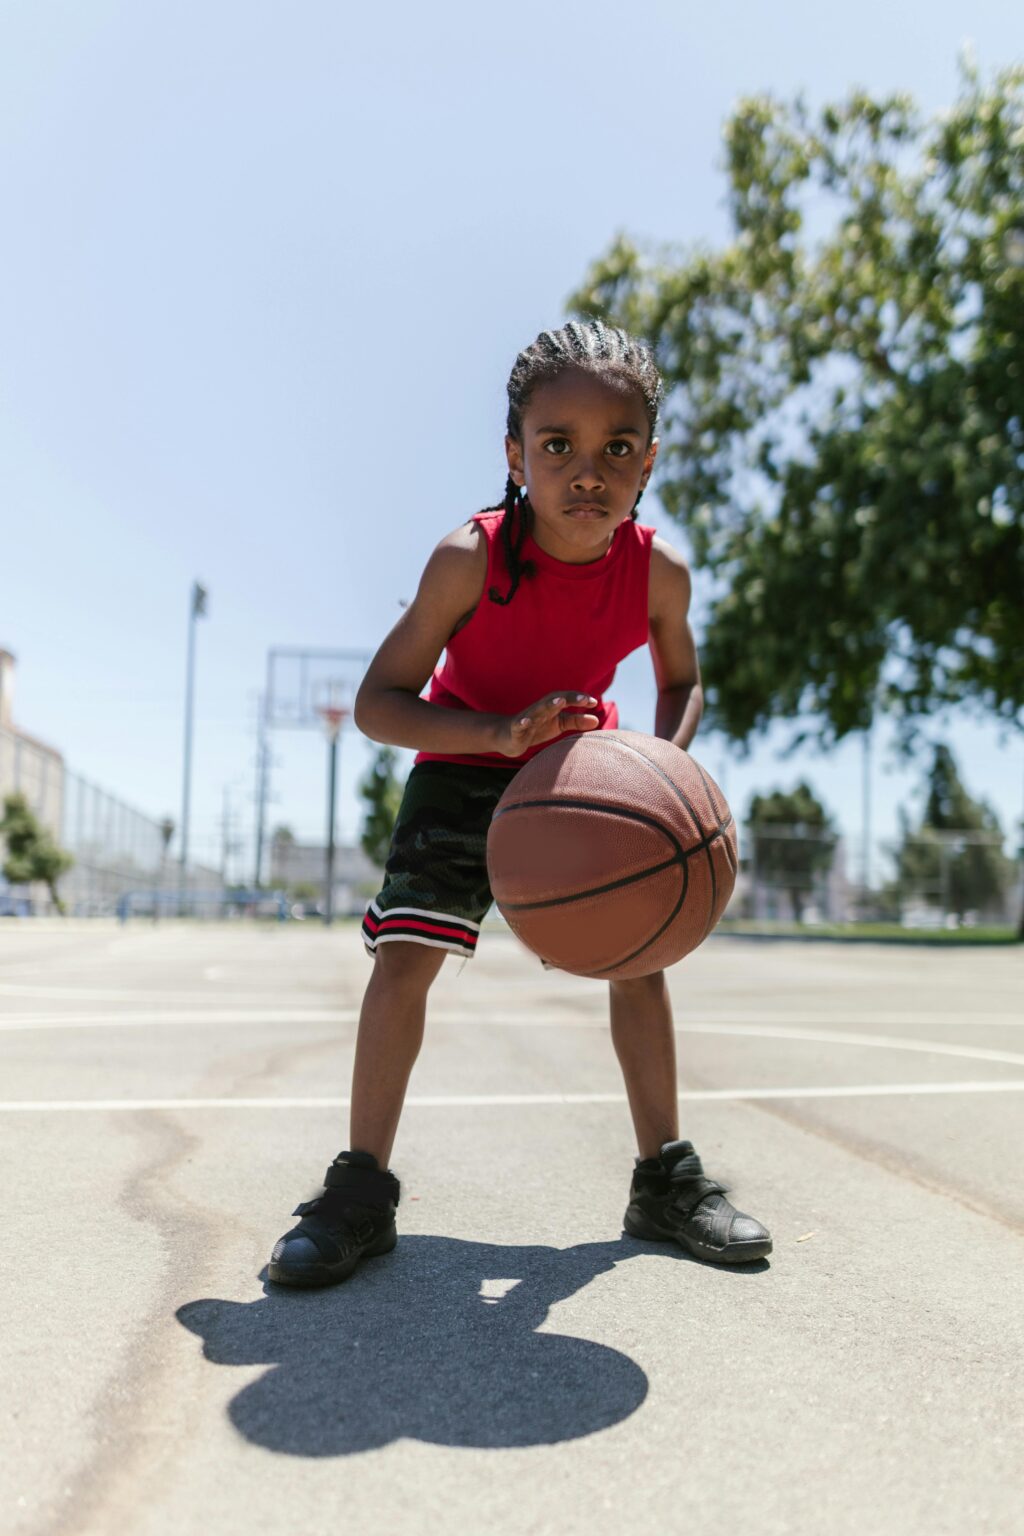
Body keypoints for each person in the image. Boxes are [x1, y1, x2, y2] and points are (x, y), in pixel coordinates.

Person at [268, 321, 772, 1287]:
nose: (589, 470)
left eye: (617, 448)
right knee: (406, 955)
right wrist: (498, 737)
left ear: (650, 462)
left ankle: (663, 1179)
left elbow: (685, 679)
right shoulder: (471, 558)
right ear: (515, 455)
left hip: (585, 767)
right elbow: (380, 705)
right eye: (559, 446)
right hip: (468, 750)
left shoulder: (659, 572)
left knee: (642, 948)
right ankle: (360, 1189)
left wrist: (658, 769)